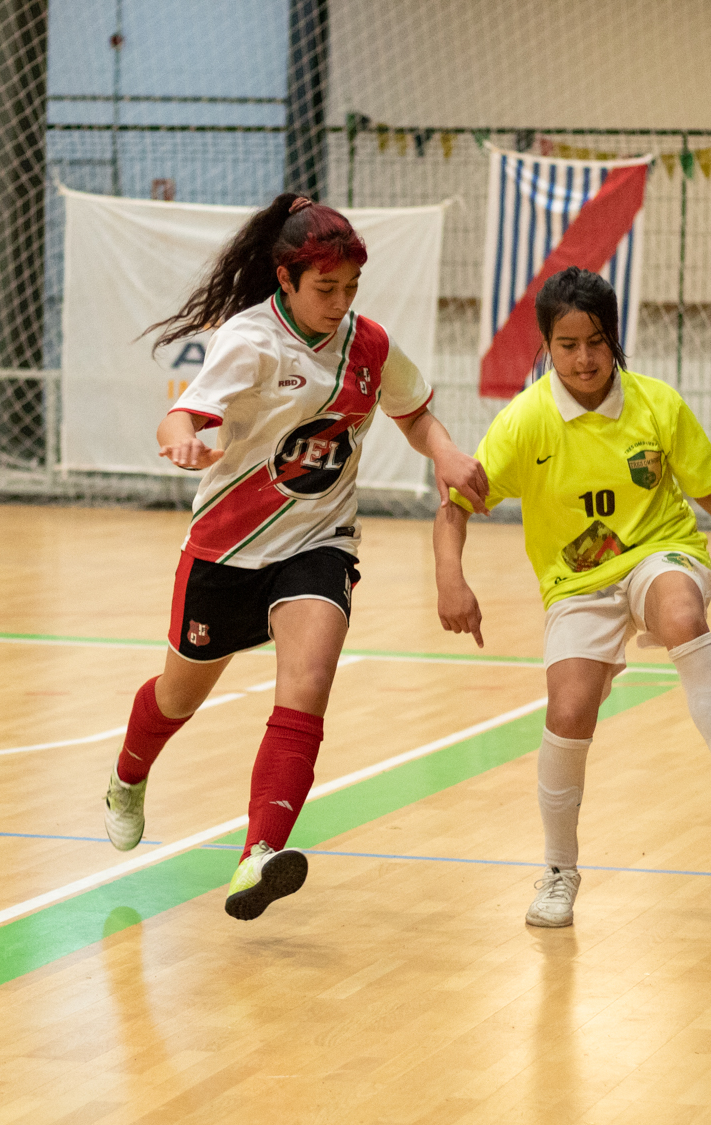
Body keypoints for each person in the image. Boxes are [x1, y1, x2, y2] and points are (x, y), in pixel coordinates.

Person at [102, 192, 489, 921]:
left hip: (319, 539)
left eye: (350, 289)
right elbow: (183, 411)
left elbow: (414, 412)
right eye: (325, 289)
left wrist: (446, 452)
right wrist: (181, 436)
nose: (340, 303)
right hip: (228, 546)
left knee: (308, 680)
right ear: (286, 279)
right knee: (177, 697)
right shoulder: (250, 341)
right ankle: (128, 774)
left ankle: (259, 854)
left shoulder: (368, 344)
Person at [432, 266, 711, 929]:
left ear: (615, 338)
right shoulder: (525, 421)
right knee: (569, 709)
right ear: (547, 346)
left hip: (658, 550)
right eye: (568, 344)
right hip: (577, 581)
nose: (584, 358)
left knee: (680, 613)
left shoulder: (657, 404)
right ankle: (559, 871)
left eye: (596, 341)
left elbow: (710, 489)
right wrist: (451, 578)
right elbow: (455, 506)